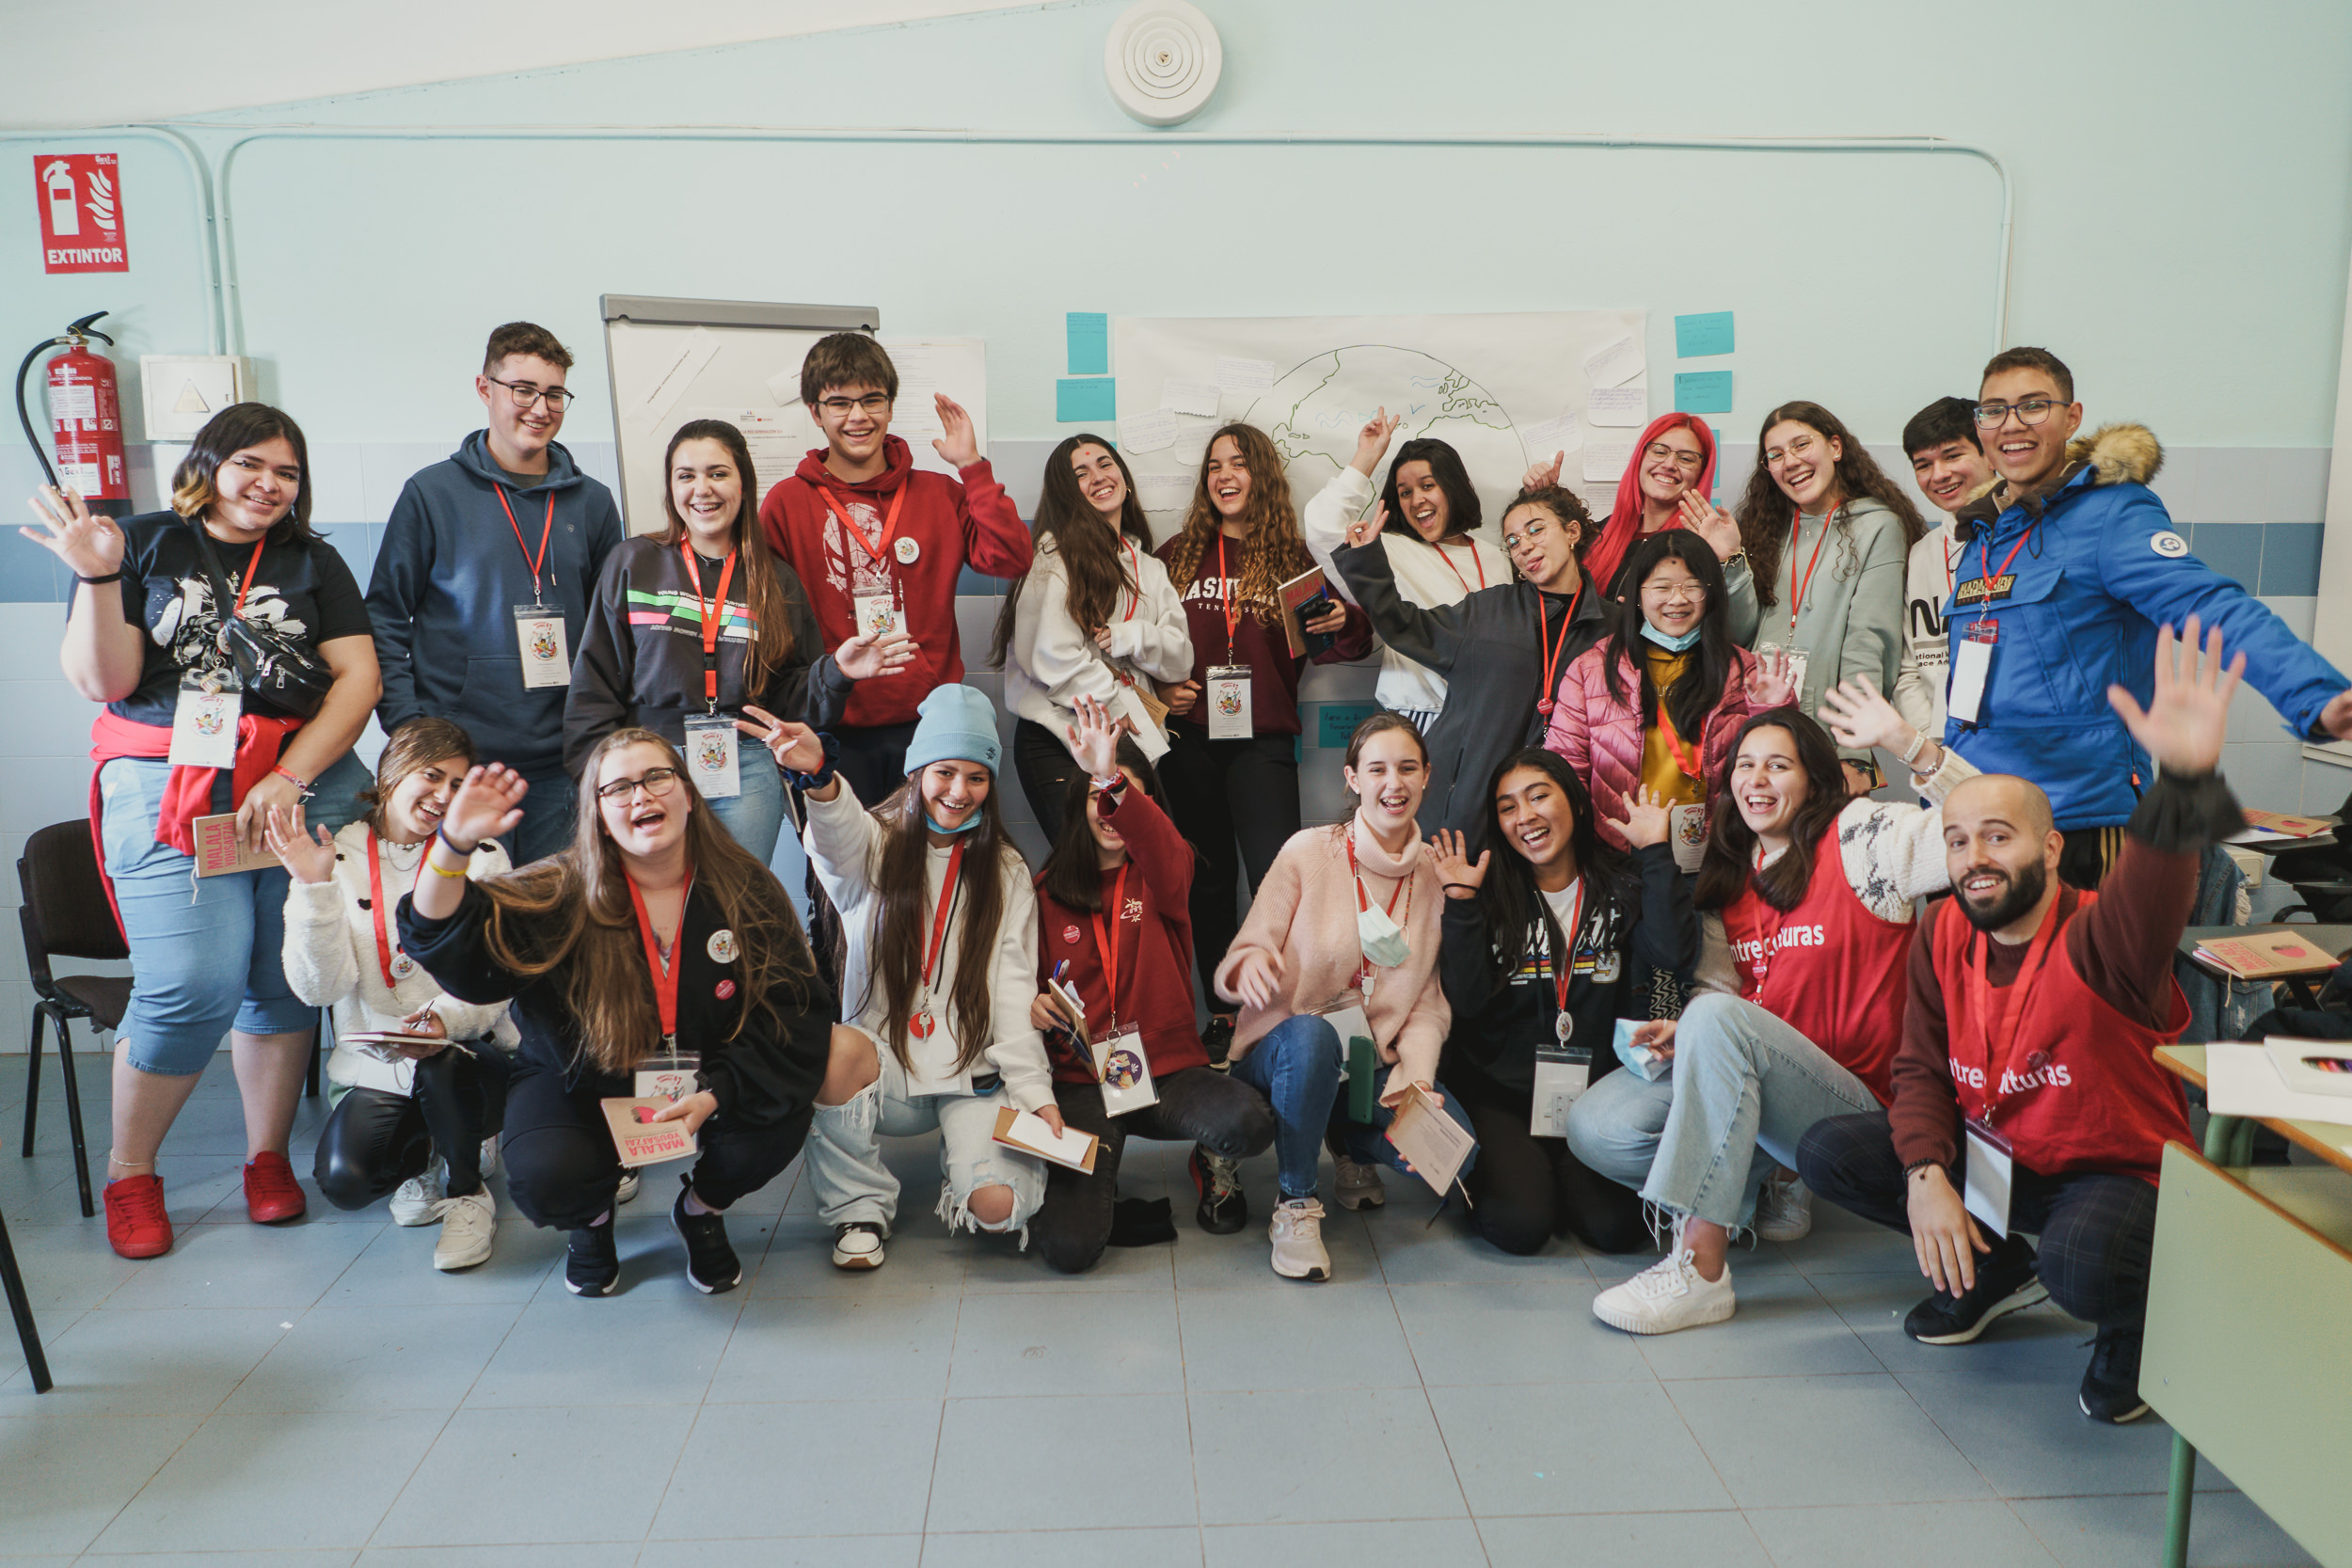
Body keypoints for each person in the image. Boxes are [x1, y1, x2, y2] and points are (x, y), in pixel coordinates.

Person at [1799, 619, 2241, 1423]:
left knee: (2081, 1266)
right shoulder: (1942, 931)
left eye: (1998, 837)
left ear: (2051, 849)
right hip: (2003, 1157)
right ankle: (1994, 1267)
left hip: (2113, 1172)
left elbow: (2157, 884)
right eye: (1958, 841)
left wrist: (2182, 781)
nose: (1974, 858)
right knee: (1834, 1151)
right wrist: (1926, 1174)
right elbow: (1919, 1069)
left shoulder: (2104, 935)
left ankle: (2134, 1323)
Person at [23, 403, 381, 1259]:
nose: (269, 483)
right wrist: (97, 576)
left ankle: (266, 1157)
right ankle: (131, 1172)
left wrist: (291, 776)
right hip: (167, 780)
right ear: (209, 462)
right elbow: (104, 681)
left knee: (282, 977)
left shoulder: (313, 558)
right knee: (189, 982)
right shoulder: (139, 542)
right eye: (250, 463)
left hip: (297, 780)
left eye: (287, 471)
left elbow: (358, 679)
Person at [1565, 701, 1977, 1334]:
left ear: (1814, 778)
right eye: (1745, 765)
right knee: (1597, 1126)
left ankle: (1699, 1269)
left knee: (1716, 1021)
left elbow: (1989, 821)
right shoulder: (1732, 869)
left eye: (1778, 766)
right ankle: (1759, 1181)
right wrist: (1687, 1029)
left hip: (1861, 1103)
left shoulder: (1863, 837)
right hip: (1763, 1082)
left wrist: (1910, 743)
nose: (1756, 780)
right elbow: (1718, 993)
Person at [399, 728, 840, 1297]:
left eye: (657, 777)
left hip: (703, 1076)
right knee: (547, 1175)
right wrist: (453, 845)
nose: (642, 795)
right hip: (579, 1079)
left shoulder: (745, 886)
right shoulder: (558, 890)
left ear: (688, 794)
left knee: (775, 1119)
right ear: (599, 815)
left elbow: (792, 1014)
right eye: (619, 788)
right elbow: (443, 935)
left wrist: (718, 1094)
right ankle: (593, 1221)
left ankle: (699, 1211)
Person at [1941, 346, 2352, 884]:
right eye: (1994, 410)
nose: (2012, 424)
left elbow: (2208, 606)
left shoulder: (2111, 512)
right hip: (1976, 815)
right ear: (1980, 425)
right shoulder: (1984, 531)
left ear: (2072, 417)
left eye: (2033, 405)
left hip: (2075, 821)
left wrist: (2315, 695)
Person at [755, 684, 1058, 1271]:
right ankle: (859, 1208)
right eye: (944, 772)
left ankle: (968, 1151)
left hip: (974, 1073)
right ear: (917, 771)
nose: (959, 792)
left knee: (999, 1211)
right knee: (833, 1048)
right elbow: (837, 838)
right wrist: (819, 778)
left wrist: (1035, 1094)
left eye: (976, 777)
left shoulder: (1006, 869)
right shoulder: (875, 842)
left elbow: (1014, 990)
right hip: (887, 1067)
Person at [565, 419, 912, 863]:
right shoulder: (634, 562)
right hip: (648, 765)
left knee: (735, 898)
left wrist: (837, 672)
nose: (702, 489)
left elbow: (787, 701)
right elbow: (595, 681)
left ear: (744, 485)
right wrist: (597, 779)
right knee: (655, 895)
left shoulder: (776, 579)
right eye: (686, 476)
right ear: (671, 488)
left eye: (718, 473)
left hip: (745, 766)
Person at [1025, 698, 1276, 1273]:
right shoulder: (1043, 891)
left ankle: (1206, 1159)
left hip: (1164, 1073)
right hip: (1082, 1081)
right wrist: (1032, 1005)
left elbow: (1159, 841)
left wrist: (1110, 777)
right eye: (1095, 798)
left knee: (1248, 1125)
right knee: (1068, 1249)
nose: (1109, 811)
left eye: (1122, 799)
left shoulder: (1165, 873)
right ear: (1076, 808)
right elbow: (1021, 983)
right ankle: (1094, 1175)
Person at [1213, 713, 1465, 1280]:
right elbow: (1242, 953)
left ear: (1427, 776)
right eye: (1377, 769)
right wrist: (1248, 968)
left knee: (1453, 1154)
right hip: (1285, 1051)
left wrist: (1418, 1082)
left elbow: (1427, 1004)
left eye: (1407, 768)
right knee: (1312, 1037)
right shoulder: (1309, 851)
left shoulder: (1433, 872)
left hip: (1368, 1065)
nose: (1393, 783)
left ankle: (1347, 1140)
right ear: (1352, 779)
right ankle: (1296, 1203)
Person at [368, 322, 625, 863]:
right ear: (485, 389)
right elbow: (385, 616)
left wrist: (601, 737)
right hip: (460, 766)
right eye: (523, 391)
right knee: (461, 906)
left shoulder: (593, 502)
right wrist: (410, 728)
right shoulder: (431, 493)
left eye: (554, 394)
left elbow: (613, 632)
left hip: (564, 763)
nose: (540, 408)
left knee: (555, 907)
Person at [269, 719, 516, 1272]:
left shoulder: (481, 856)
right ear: (392, 772)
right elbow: (320, 990)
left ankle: (468, 1192)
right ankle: (428, 1153)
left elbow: (497, 977)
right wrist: (313, 889)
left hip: (468, 1051)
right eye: (432, 776)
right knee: (346, 1182)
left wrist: (442, 1022)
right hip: (378, 1066)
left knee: (442, 1063)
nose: (443, 796)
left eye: (458, 785)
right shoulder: (334, 854)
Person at [1431, 752, 1696, 1256]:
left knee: (1618, 1230)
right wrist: (1461, 904)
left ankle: (1558, 1176)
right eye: (1507, 807)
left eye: (1538, 796)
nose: (1525, 816)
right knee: (1520, 1227)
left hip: (1596, 1097)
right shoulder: (1488, 890)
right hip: (1502, 1096)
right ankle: (1518, 1175)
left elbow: (1673, 951)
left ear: (1574, 803)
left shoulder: (1622, 883)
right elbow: (1465, 1001)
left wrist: (1656, 852)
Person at [1156, 423, 1372, 1040]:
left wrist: (1344, 619)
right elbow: (1139, 649)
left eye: (1239, 464)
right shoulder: (1176, 555)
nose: (1225, 476)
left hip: (1263, 740)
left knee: (1280, 878)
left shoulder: (1290, 559)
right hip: (1189, 738)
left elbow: (1345, 644)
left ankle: (1282, 1012)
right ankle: (1224, 1014)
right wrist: (1158, 695)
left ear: (1263, 477)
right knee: (1206, 881)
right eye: (1215, 466)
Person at [755, 332, 1032, 805]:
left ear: (889, 406)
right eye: (839, 403)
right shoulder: (786, 503)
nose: (858, 416)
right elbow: (773, 625)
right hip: (832, 724)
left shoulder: (939, 493)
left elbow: (1011, 559)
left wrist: (971, 465)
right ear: (815, 413)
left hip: (929, 722)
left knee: (929, 852)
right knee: (844, 854)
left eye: (872, 400)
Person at [1329, 484, 1607, 834]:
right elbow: (1404, 626)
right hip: (1468, 808)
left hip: (1554, 812)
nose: (1524, 546)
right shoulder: (1488, 610)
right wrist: (1365, 560)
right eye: (1513, 541)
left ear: (1572, 532)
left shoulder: (1612, 626)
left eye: (1535, 530)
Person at [1543, 533, 1792, 853]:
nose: (1677, 600)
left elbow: (1782, 767)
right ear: (1637, 594)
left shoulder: (1743, 671)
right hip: (1620, 853)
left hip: (1720, 851)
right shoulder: (1589, 671)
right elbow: (1566, 772)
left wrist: (1774, 712)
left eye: (1692, 586)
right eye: (1662, 588)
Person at [996, 435, 1193, 835]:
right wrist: (1117, 706)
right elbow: (1051, 656)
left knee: (1147, 858)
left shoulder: (1150, 568)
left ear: (1125, 478)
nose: (1098, 477)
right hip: (1063, 736)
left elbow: (1179, 660)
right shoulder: (1052, 556)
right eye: (1081, 474)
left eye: (1105, 464)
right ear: (1066, 493)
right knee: (1087, 865)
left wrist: (1132, 636)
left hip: (1129, 741)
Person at [1732, 400, 1925, 789]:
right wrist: (1730, 560)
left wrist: (1853, 752)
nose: (1790, 461)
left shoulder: (1877, 527)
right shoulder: (1763, 528)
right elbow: (1739, 635)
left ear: (1835, 447)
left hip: (1825, 741)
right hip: (1756, 729)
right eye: (1775, 455)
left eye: (1801, 445)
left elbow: (1868, 642)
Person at [1302, 412, 1509, 729]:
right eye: (1405, 492)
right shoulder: (1388, 551)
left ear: (1452, 487)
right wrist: (1367, 456)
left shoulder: (1498, 558)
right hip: (1420, 717)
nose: (1417, 500)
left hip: (1492, 717)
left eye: (1428, 486)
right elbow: (1322, 526)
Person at [1524, 413, 1758, 642]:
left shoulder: (1702, 546)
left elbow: (1739, 634)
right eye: (1659, 451)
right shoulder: (1598, 533)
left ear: (1700, 474)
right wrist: (1540, 503)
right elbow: (1545, 594)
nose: (1669, 464)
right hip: (1584, 666)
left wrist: (1730, 561)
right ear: (1640, 458)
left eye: (1686, 459)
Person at [1890, 397, 1995, 744]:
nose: (1939, 475)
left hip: (2015, 744)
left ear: (1989, 454)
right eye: (1923, 464)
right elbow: (1908, 670)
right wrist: (1932, 748)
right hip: (1940, 748)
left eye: (1952, 456)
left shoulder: (2030, 538)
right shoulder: (1921, 553)